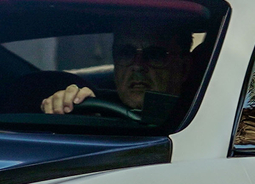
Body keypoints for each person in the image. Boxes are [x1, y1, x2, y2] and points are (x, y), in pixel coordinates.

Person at [39, 22, 195, 123]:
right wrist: (66, 108)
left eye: (155, 54)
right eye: (126, 53)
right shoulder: (95, 107)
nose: (137, 66)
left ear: (184, 68)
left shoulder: (199, 121)